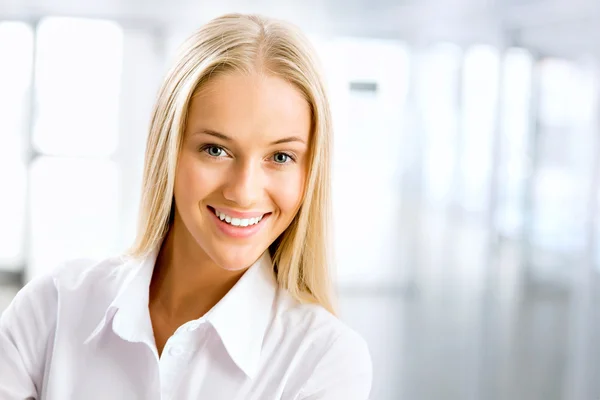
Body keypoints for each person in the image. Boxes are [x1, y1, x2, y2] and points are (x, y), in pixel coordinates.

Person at [0, 13, 372, 399]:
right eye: (215, 150)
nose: (244, 192)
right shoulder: (54, 308)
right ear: (168, 150)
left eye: (280, 157)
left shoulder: (325, 360)